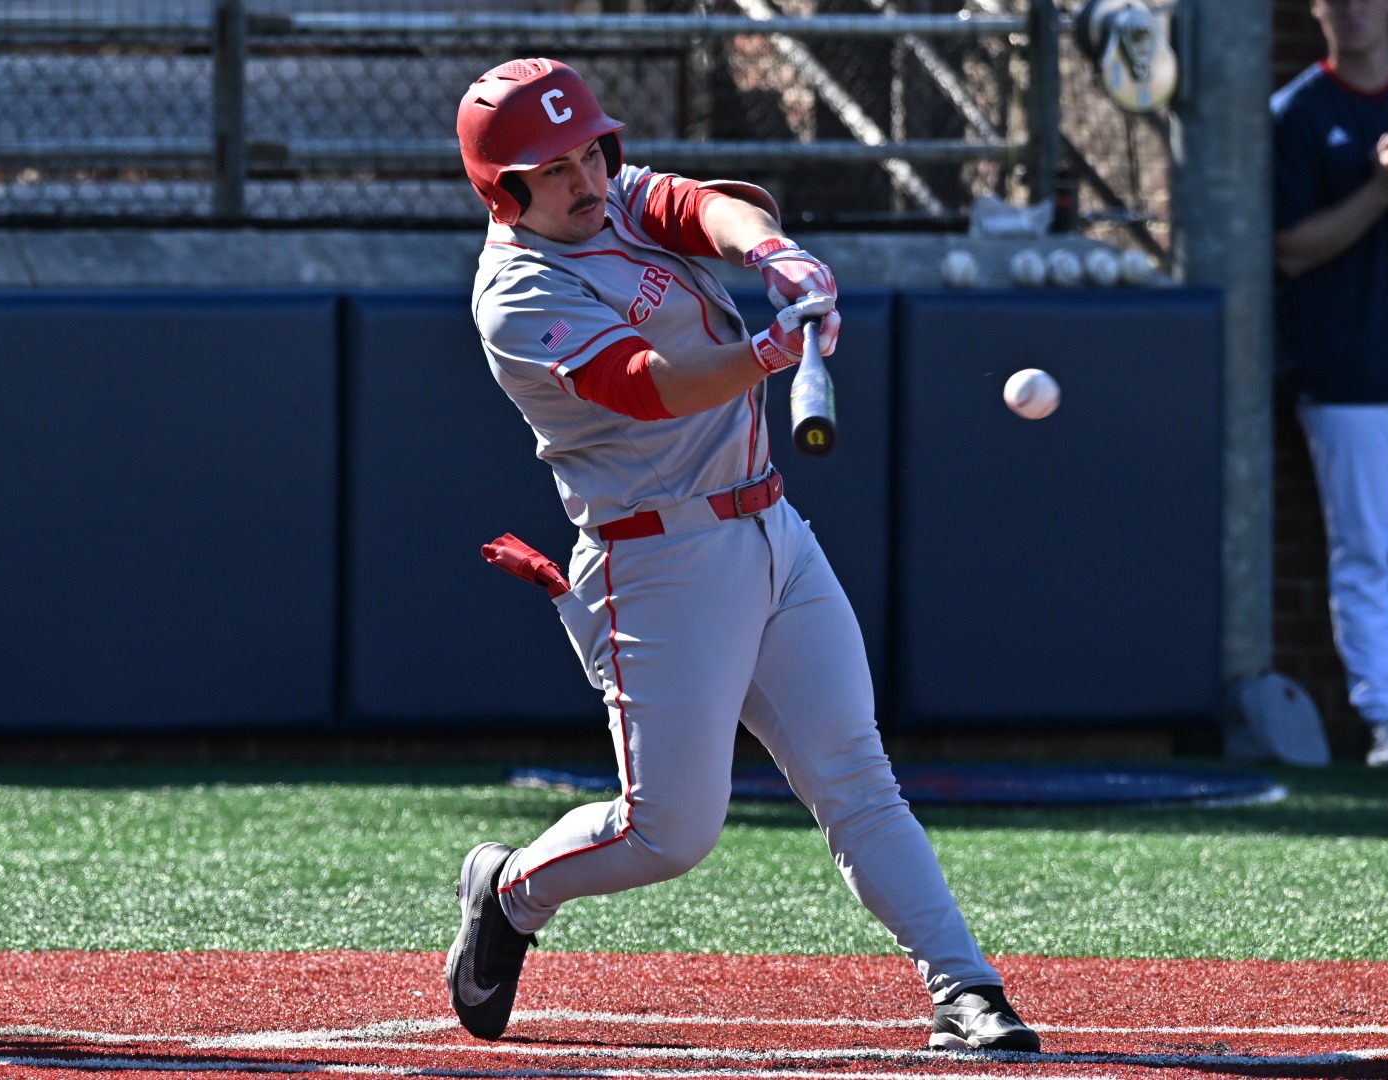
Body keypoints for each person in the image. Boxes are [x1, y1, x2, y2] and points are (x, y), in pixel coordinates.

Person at [444, 59, 1040, 1052]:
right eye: (553, 169)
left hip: (771, 529)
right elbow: (648, 384)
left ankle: (967, 989)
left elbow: (690, 205)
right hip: (659, 566)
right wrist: (768, 351)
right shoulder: (517, 296)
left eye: (592, 152)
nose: (586, 178)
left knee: (857, 773)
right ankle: (508, 895)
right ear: (504, 188)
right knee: (669, 832)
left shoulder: (610, 197)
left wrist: (776, 255)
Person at [1272, 0, 1388, 768]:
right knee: (1364, 553)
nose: (1355, 9)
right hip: (1346, 373)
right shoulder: (1297, 112)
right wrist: (1383, 193)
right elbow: (1290, 251)